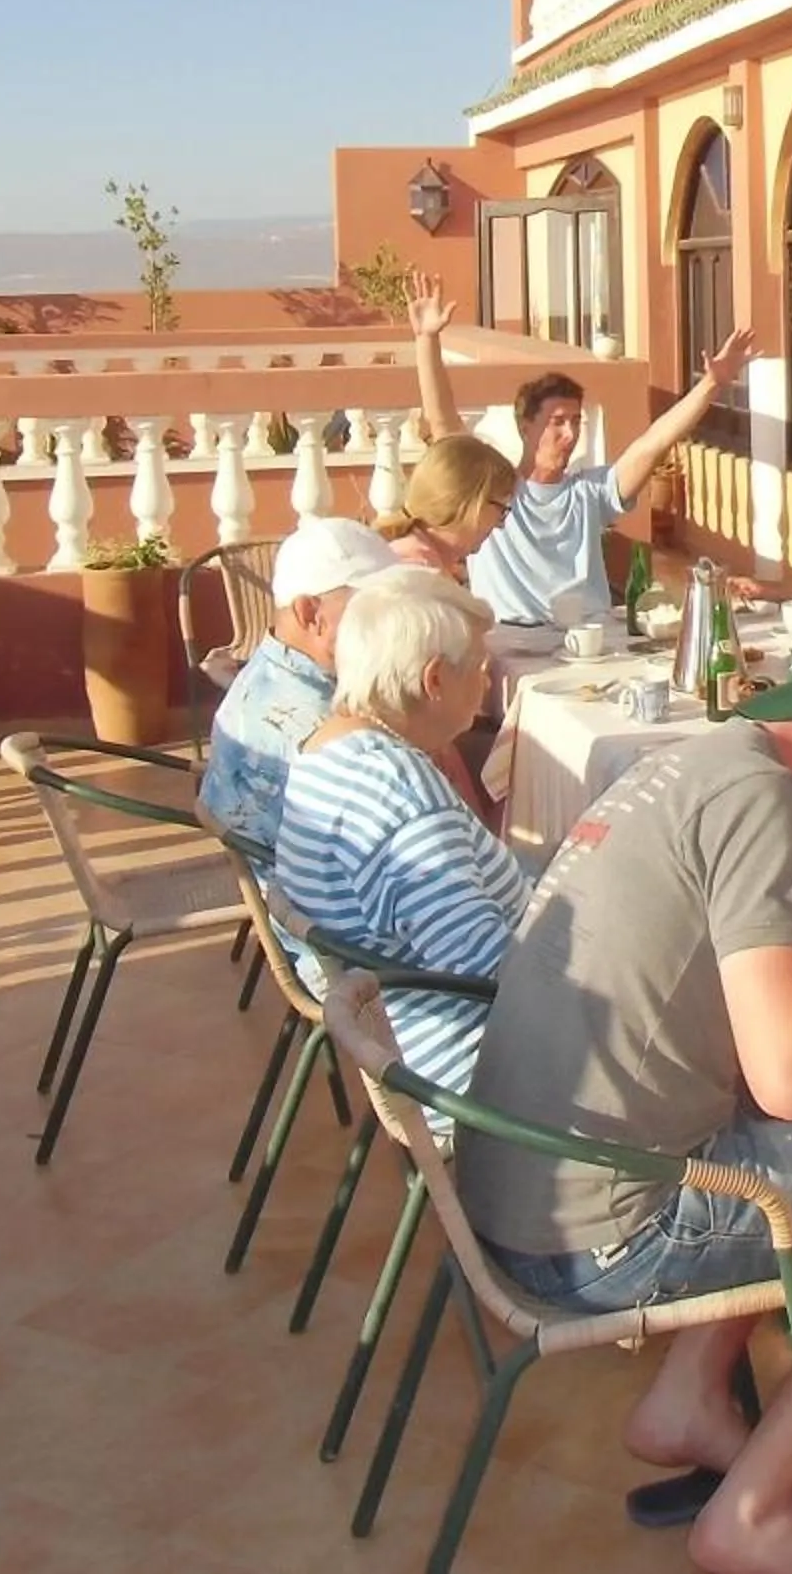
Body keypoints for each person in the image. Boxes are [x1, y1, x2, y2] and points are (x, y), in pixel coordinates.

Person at [459, 606, 792, 1574]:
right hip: (603, 1230)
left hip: (519, 1184)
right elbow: (787, 1079)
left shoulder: (697, 763)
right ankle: (756, 1510)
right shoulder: (758, 803)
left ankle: (689, 1403)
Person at [271, 571, 524, 1099]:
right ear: (434, 680)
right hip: (482, 1075)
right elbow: (491, 968)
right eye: (479, 670)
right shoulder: (399, 792)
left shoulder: (324, 749)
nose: (485, 684)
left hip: (407, 1046)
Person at [406, 270, 755, 623]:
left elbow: (654, 443)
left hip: (590, 640)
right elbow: (443, 424)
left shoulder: (589, 492)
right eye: (557, 422)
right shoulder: (493, 493)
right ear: (526, 426)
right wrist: (426, 340)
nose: (570, 434)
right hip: (514, 641)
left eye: (575, 421)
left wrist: (712, 384)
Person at [198, 518, 403, 862]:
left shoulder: (265, 671)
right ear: (310, 613)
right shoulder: (328, 728)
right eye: (373, 609)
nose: (392, 623)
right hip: (316, 909)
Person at [377, 434, 521, 584]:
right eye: (501, 508)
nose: (501, 523)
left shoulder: (418, 560)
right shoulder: (418, 574)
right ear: (469, 503)